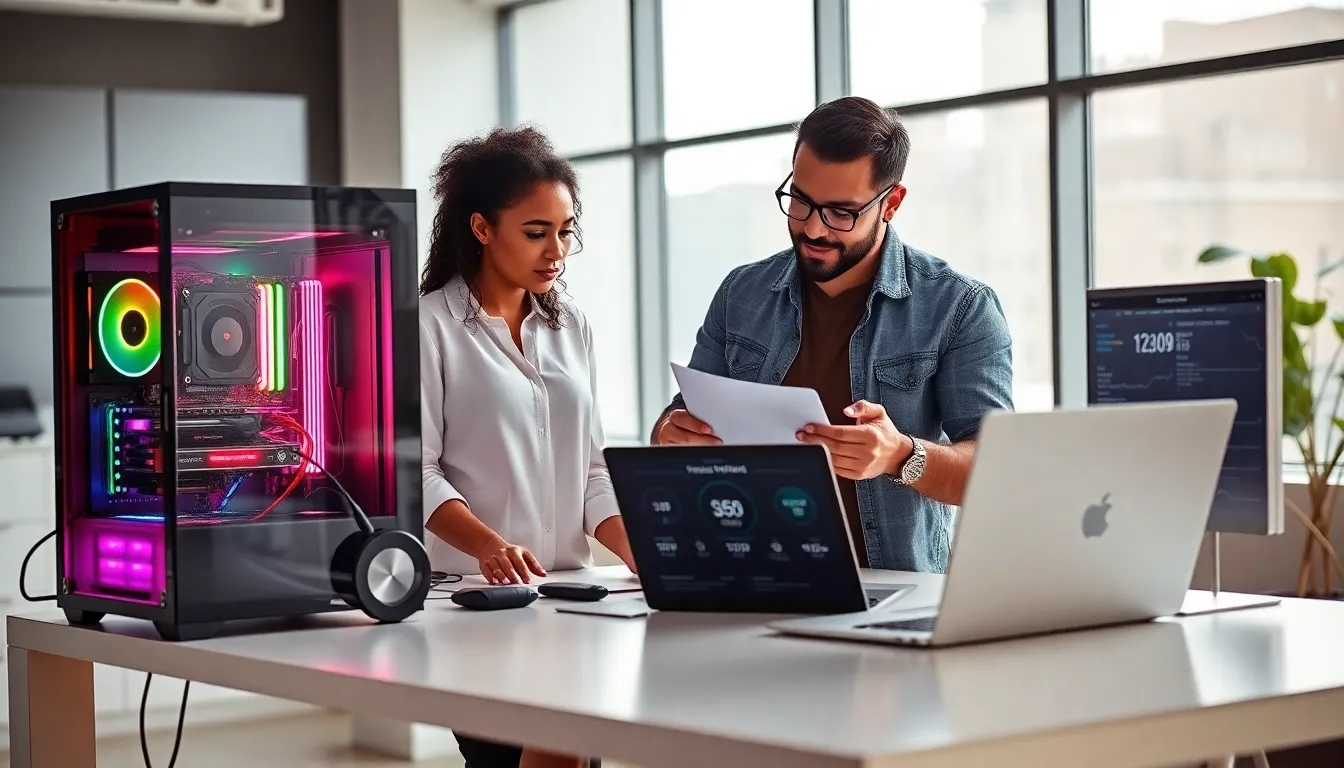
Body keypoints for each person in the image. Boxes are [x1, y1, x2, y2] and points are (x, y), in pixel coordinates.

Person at [651, 96, 1013, 574]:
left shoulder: (959, 307)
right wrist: (668, 435)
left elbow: (995, 472)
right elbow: (686, 414)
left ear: (891, 203)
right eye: (800, 201)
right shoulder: (742, 293)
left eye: (841, 212)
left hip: (890, 594)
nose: (813, 229)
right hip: (746, 575)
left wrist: (900, 455)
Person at [420, 126, 630, 768]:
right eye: (536, 232)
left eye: (566, 231)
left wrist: (641, 548)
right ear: (482, 228)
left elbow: (593, 470)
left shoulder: (575, 328)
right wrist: (489, 547)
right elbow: (418, 473)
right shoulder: (427, 327)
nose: (557, 250)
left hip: (574, 598)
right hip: (473, 605)